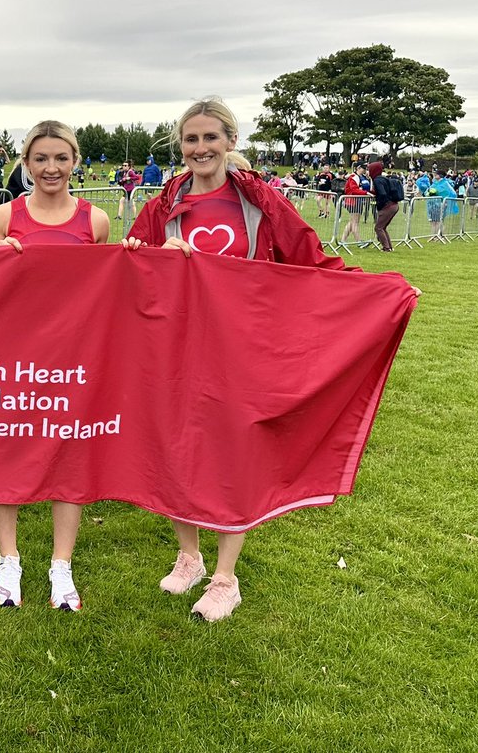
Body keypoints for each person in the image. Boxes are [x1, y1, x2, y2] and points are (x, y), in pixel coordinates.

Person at [127, 97, 370, 623]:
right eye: (191, 139)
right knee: (174, 448)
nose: (200, 148)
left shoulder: (258, 202)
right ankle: (189, 556)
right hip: (175, 349)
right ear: (180, 146)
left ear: (230, 142)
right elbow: (130, 264)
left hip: (241, 351)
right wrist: (155, 257)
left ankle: (225, 577)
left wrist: (373, 291)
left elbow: (309, 256)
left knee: (234, 455)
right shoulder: (164, 205)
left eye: (211, 138)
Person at [0, 121, 111, 612]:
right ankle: (9, 560)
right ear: (26, 162)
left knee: (70, 456)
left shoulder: (95, 221)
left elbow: (107, 290)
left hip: (73, 358)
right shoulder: (4, 215)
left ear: (75, 160)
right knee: (6, 454)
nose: (51, 168)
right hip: (12, 356)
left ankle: (62, 565)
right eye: (41, 158)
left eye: (61, 157)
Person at [369, 161, 398, 252]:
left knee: (378, 227)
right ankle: (389, 246)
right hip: (394, 205)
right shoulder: (383, 179)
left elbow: (382, 193)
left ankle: (386, 248)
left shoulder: (377, 180)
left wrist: (380, 205)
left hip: (387, 206)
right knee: (383, 227)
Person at [340, 164, 371, 245]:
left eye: (366, 169)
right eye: (363, 168)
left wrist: (370, 179)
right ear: (358, 168)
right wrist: (366, 193)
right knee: (355, 222)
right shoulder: (354, 177)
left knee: (352, 222)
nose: (365, 170)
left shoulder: (363, 177)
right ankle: (358, 241)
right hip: (352, 201)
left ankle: (343, 240)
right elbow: (354, 190)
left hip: (358, 201)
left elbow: (367, 187)